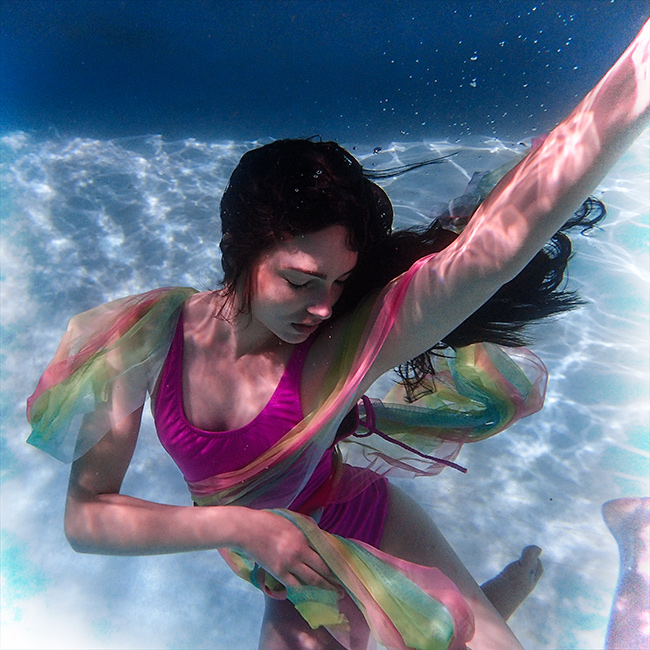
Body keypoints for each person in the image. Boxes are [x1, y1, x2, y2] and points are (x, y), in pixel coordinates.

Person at [26, 20, 650, 650]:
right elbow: (88, 518)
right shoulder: (150, 334)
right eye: (300, 281)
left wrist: (636, 80)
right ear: (241, 253)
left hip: (362, 524)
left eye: (339, 282)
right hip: (287, 566)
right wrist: (244, 528)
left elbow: (489, 254)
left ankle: (604, 562)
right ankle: (484, 601)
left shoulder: (338, 352)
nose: (323, 308)